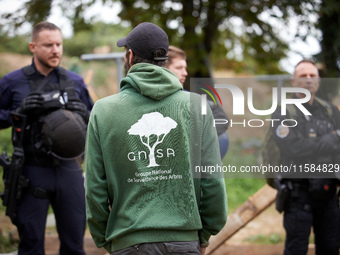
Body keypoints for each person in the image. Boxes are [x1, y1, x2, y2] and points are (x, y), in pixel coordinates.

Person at [85, 22, 228, 255]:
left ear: (130, 56)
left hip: (128, 242)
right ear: (164, 58)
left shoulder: (103, 111)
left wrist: (106, 239)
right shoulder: (197, 106)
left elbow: (95, 188)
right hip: (184, 243)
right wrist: (204, 235)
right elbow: (212, 181)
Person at [0, 21, 93, 255]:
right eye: (48, 45)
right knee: (31, 246)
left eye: (59, 44)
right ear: (33, 46)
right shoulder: (12, 82)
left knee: (74, 245)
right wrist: (18, 112)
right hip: (31, 172)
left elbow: (94, 121)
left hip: (69, 169)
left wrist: (83, 113)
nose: (56, 50)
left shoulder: (75, 81)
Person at [271, 59, 340, 255]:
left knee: (330, 248)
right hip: (298, 197)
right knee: (296, 250)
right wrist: (330, 140)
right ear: (293, 81)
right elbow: (293, 148)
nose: (309, 80)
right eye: (303, 76)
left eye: (313, 76)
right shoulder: (283, 112)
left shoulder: (331, 112)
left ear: (318, 81)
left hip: (329, 196)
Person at [164, 45, 230, 159]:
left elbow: (222, 118)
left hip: (196, 160)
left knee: (222, 137)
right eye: (179, 68)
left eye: (185, 68)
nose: (185, 73)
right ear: (164, 70)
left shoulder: (190, 98)